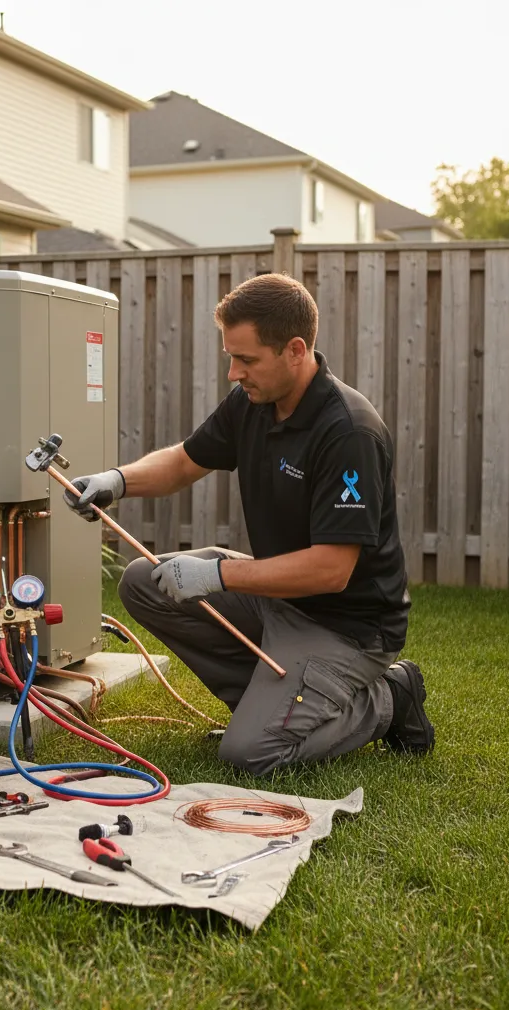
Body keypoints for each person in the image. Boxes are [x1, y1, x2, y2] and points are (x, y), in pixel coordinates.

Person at [65, 273, 434, 776]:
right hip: (278, 600)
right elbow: (182, 462)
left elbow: (331, 570)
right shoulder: (253, 402)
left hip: (346, 628)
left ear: (296, 350)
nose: (234, 373)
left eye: (247, 359)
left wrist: (217, 576)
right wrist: (116, 480)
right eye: (230, 357)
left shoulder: (348, 433)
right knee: (142, 583)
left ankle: (390, 696)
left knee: (250, 754)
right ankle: (269, 705)